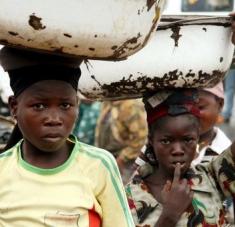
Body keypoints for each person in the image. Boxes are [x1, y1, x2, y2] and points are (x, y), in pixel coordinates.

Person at [0, 47, 134, 227]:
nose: (54, 119)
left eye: (65, 105)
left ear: (77, 105)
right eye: (39, 106)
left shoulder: (98, 165)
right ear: (14, 107)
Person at [126, 88, 235, 226]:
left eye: (188, 140)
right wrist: (170, 215)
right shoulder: (128, 198)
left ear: (197, 138)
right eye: (166, 141)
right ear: (151, 140)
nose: (177, 150)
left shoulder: (211, 177)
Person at [95, 99, 148, 183]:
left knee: (122, 190)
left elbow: (140, 138)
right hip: (110, 158)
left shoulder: (130, 105)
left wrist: (122, 159)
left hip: (126, 162)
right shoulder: (108, 102)